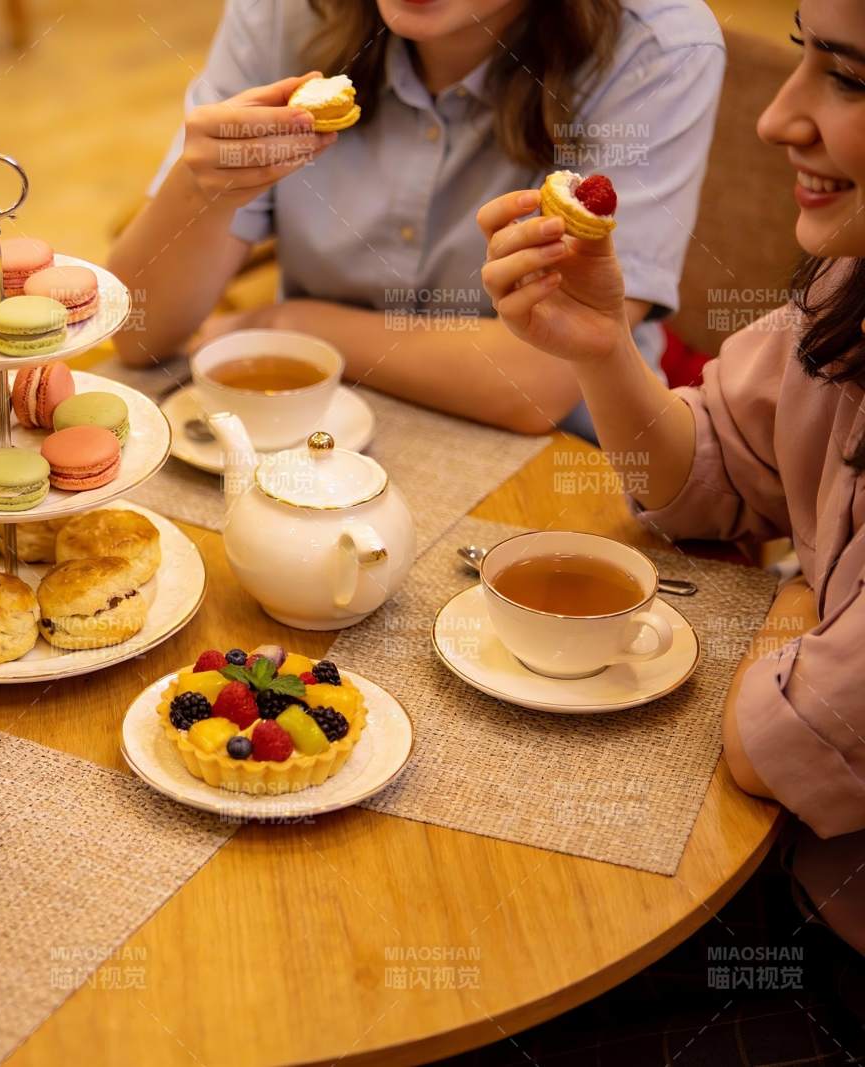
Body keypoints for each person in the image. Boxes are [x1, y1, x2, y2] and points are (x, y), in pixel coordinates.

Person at [468, 0, 864, 1055]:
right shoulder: (849, 292)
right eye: (800, 63)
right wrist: (599, 347)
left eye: (849, 79)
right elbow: (707, 482)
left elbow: (772, 737)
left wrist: (791, 619)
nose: (778, 117)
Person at [109, 0, 724, 437]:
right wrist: (201, 187)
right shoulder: (283, 13)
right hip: (314, 429)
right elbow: (140, 336)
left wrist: (287, 321)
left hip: (559, 465)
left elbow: (540, 382)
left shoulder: (657, 47)